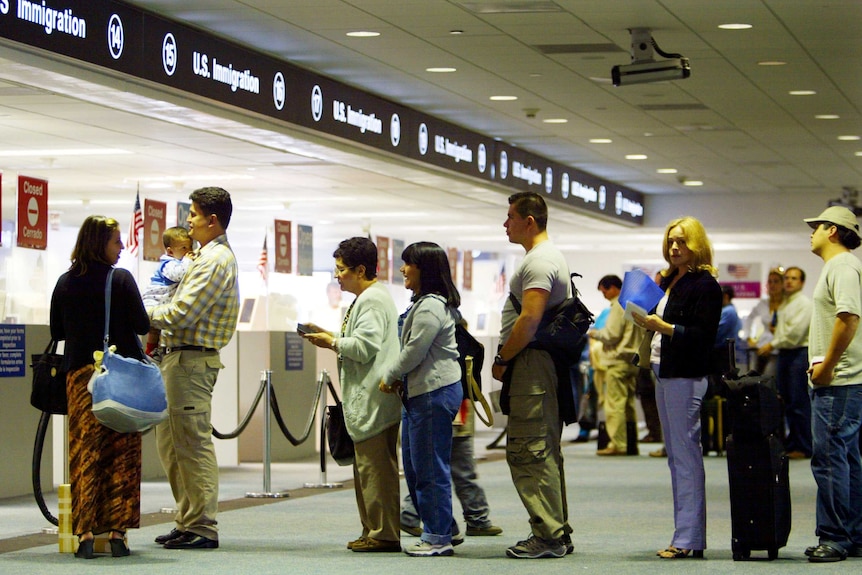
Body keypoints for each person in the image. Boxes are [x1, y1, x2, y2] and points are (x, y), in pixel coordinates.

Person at [49, 215, 150, 559]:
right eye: (116, 241)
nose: (122, 247)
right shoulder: (120, 280)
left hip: (79, 378)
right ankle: (118, 534)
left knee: (84, 454)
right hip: (118, 377)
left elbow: (57, 331)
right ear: (99, 243)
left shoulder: (64, 283)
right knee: (122, 453)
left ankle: (85, 534)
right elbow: (142, 323)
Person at [149, 187, 239, 550]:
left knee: (192, 443)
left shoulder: (216, 260)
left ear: (211, 219)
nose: (188, 221)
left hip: (191, 360)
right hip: (177, 357)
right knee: (172, 445)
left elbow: (181, 312)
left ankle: (202, 525)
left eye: (193, 214)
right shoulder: (202, 257)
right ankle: (187, 519)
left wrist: (142, 314)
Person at [301, 237, 402, 553]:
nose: (337, 276)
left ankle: (384, 533)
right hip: (370, 397)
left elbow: (365, 347)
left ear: (361, 269)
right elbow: (361, 340)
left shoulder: (371, 300)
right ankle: (373, 528)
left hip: (374, 398)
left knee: (376, 470)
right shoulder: (370, 298)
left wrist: (331, 343)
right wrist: (333, 336)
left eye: (342, 270)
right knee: (368, 470)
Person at [632, 216, 722, 560]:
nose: (674, 248)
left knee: (685, 456)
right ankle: (686, 535)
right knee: (676, 457)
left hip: (686, 374)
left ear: (696, 245)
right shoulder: (670, 280)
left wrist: (665, 327)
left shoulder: (705, 285)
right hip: (663, 370)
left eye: (681, 242)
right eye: (671, 241)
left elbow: (702, 337)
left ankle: (688, 537)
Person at [491, 192, 572, 559]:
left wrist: (503, 358)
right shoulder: (541, 257)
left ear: (530, 221)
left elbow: (529, 319)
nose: (504, 223)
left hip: (531, 365)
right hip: (537, 364)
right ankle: (557, 530)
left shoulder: (539, 261)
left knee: (530, 450)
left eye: (510, 217)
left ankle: (549, 535)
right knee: (543, 450)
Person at [380, 242, 463, 557]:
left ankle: (438, 536)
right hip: (420, 394)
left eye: (407, 264)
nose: (403, 269)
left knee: (428, 468)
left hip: (432, 392)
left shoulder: (429, 306)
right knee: (416, 467)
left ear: (423, 269)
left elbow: (414, 351)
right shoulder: (422, 304)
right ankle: (443, 526)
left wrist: (389, 375)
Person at [401, 318, 502, 539]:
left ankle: (410, 514)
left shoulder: (442, 354)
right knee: (458, 471)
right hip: (456, 419)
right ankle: (477, 518)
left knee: (431, 469)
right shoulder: (453, 354)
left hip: (450, 415)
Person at [801, 206, 862, 563]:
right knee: (847, 459)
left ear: (833, 231)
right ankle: (852, 533)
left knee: (830, 460)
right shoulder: (845, 267)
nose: (811, 232)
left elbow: (848, 318)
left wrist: (827, 366)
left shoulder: (841, 267)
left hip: (839, 381)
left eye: (817, 226)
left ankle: (836, 536)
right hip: (847, 381)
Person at [757, 266, 813, 459]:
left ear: (802, 283)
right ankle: (793, 442)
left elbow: (795, 334)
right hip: (785, 354)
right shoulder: (786, 304)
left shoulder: (804, 304)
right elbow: (780, 330)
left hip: (798, 354)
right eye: (787, 278)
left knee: (799, 402)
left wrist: (773, 343)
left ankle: (805, 445)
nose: (789, 281)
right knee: (788, 403)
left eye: (794, 278)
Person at [588, 274, 645, 456]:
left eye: (604, 290)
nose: (604, 294)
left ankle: (618, 444)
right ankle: (631, 443)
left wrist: (594, 333)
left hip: (617, 360)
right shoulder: (634, 304)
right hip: (632, 360)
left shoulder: (618, 305)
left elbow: (612, 334)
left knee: (614, 404)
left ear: (613, 288)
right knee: (628, 404)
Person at [141, 226, 193, 357]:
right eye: (184, 248)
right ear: (170, 251)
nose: (189, 251)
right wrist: (188, 260)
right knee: (154, 329)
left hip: (163, 303)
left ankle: (154, 350)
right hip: (154, 301)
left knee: (158, 330)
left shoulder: (179, 261)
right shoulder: (169, 263)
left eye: (190, 247)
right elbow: (178, 274)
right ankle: (150, 350)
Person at [744, 268, 785, 375]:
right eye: (770, 281)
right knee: (756, 378)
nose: (772, 285)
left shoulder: (787, 304)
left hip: (779, 349)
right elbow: (749, 318)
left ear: (782, 284)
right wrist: (748, 337)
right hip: (762, 348)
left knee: (769, 376)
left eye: (776, 281)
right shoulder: (763, 303)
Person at [713, 285, 744, 375]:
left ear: (725, 296)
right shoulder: (728, 310)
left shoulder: (729, 312)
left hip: (723, 352)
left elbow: (718, 332)